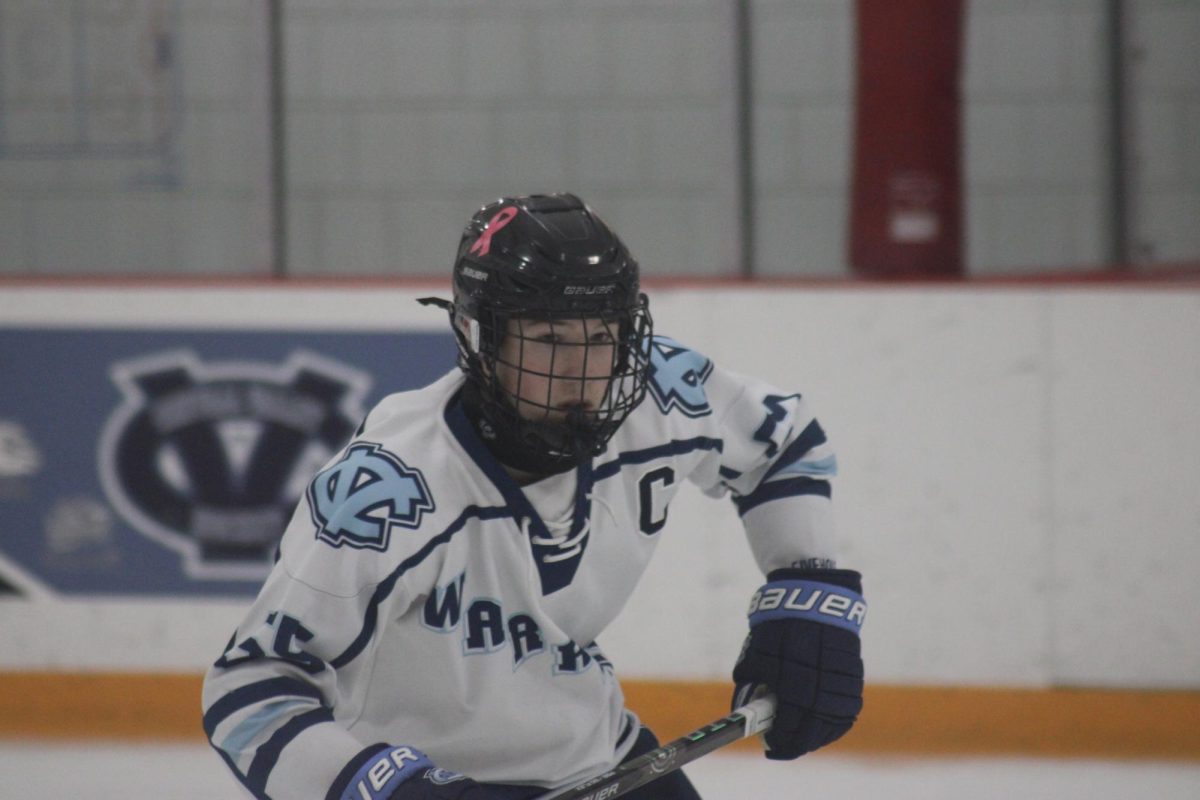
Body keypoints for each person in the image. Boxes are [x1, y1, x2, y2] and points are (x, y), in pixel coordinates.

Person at [201, 193, 865, 800]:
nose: (581, 371)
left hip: (600, 759)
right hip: (427, 781)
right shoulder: (390, 490)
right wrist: (392, 792)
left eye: (602, 338)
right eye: (549, 340)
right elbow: (250, 689)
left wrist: (807, 591)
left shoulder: (658, 393)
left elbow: (783, 443)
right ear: (479, 339)